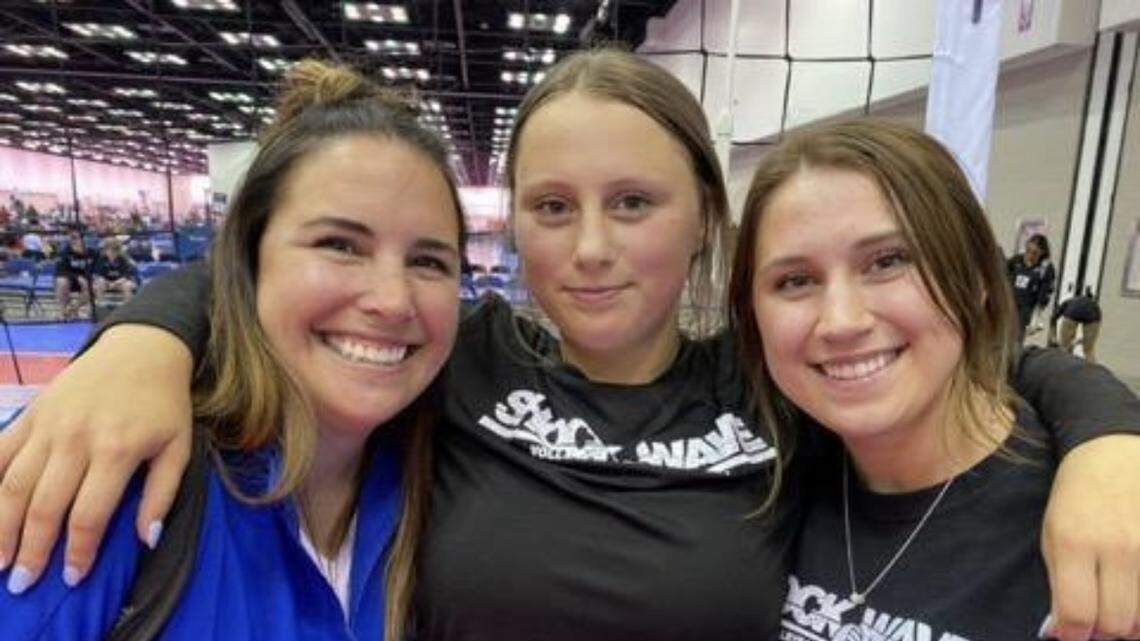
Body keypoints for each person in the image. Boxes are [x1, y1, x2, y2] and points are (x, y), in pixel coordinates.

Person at [1, 48, 1140, 641]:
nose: (590, 249)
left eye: (634, 203)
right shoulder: (457, 358)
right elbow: (313, 284)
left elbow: (978, 358)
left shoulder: (783, 382)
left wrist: (1109, 436)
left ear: (704, 215)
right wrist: (142, 337)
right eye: (551, 207)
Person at [0, 59, 466, 640]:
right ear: (247, 260)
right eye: (340, 245)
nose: (394, 300)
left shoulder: (447, 479)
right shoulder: (110, 477)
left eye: (429, 261)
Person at [729, 119, 1138, 640]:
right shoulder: (766, 466)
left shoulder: (1100, 523)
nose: (841, 321)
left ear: (974, 282)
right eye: (796, 280)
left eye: (887, 261)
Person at [1008, 233, 1056, 342]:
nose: (1029, 255)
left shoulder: (1045, 268)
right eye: (1028, 251)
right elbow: (1003, 270)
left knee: (1016, 336)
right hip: (1011, 301)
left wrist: (1037, 313)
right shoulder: (1017, 260)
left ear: (1042, 253)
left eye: (1034, 253)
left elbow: (1045, 291)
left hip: (1026, 307)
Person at [53, 229, 95, 320]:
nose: (78, 242)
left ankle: (72, 309)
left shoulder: (92, 253)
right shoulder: (64, 253)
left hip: (86, 280)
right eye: (74, 239)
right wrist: (77, 277)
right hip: (69, 280)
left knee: (94, 286)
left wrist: (87, 278)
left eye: (80, 239)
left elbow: (97, 268)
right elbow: (60, 271)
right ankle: (61, 311)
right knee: (61, 282)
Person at [1052, 288, 1103, 364]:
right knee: (1089, 350)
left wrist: (1054, 336)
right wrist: (1083, 341)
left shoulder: (1067, 302)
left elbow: (1053, 319)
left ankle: (1063, 367)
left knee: (1064, 346)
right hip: (1094, 314)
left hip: (1073, 311)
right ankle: (1091, 371)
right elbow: (1095, 329)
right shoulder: (1094, 304)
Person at [91, 237, 138, 303]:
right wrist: (106, 282)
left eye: (113, 250)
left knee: (128, 285)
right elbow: (97, 274)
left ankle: (127, 307)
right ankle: (100, 305)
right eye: (108, 250)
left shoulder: (124, 259)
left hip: (120, 282)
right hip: (106, 282)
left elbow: (126, 275)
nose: (111, 253)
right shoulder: (101, 258)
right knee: (99, 284)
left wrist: (115, 283)